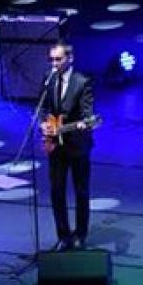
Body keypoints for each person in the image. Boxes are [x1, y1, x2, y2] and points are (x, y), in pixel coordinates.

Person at [39, 41, 95, 251]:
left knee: (81, 191)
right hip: (56, 145)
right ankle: (63, 236)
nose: (54, 63)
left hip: (77, 145)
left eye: (58, 59)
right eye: (51, 59)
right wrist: (44, 124)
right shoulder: (48, 78)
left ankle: (80, 234)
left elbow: (88, 115)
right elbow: (44, 108)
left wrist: (83, 124)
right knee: (56, 191)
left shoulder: (82, 82)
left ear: (69, 59)